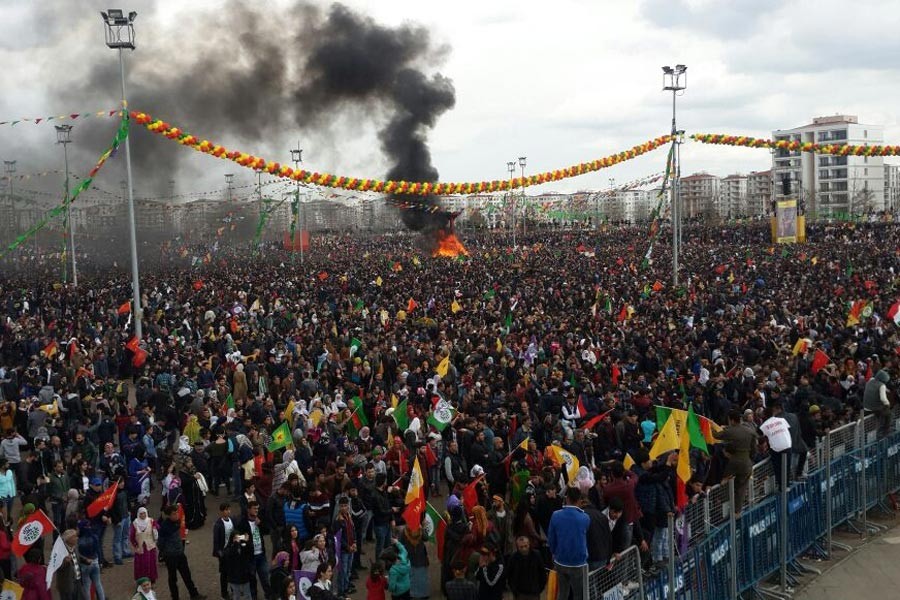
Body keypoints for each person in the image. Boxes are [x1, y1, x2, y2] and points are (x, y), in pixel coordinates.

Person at [547, 486, 590, 600]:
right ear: (579, 500)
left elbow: (551, 539)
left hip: (560, 561)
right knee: (578, 595)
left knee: (563, 593)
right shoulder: (585, 517)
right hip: (578, 563)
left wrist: (554, 553)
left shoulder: (555, 515)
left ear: (567, 498)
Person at [158, 504, 205, 600]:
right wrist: (165, 553)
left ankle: (194, 594)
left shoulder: (177, 522)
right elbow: (160, 543)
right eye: (174, 514)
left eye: (177, 513)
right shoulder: (164, 527)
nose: (176, 515)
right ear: (169, 515)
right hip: (171, 556)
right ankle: (175, 597)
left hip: (180, 554)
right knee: (173, 578)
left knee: (187, 575)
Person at [713, 410, 758, 512]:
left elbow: (715, 435)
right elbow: (754, 449)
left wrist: (713, 427)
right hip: (747, 463)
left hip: (733, 463)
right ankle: (737, 512)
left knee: (724, 483)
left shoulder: (730, 431)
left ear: (732, 420)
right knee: (741, 489)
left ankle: (721, 509)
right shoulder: (749, 430)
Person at [236, 500, 270, 600]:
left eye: (257, 509)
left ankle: (269, 596)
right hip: (250, 557)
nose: (256, 511)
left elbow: (267, 531)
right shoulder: (242, 523)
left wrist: (260, 524)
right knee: (252, 580)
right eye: (254, 509)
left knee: (265, 578)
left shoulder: (259, 520)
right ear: (248, 510)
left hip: (261, 555)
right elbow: (238, 537)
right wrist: (244, 541)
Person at [760, 403, 792, 490]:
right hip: (787, 444)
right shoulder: (782, 420)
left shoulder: (763, 426)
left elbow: (760, 436)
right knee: (787, 465)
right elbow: (787, 428)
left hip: (776, 448)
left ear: (764, 416)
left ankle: (781, 485)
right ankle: (787, 485)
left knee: (778, 467)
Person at [505, 536, 547, 600]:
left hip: (534, 593)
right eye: (521, 547)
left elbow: (542, 573)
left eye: (525, 546)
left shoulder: (536, 555)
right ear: (517, 547)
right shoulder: (513, 558)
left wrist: (539, 589)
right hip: (519, 594)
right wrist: (514, 591)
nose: (524, 549)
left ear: (529, 544)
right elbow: (509, 576)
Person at [332, 496, 357, 596]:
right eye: (341, 506)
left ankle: (346, 587)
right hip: (343, 550)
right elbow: (338, 538)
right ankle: (341, 591)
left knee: (348, 570)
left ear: (348, 506)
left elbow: (353, 531)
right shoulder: (338, 520)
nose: (343, 508)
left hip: (351, 548)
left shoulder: (349, 517)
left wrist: (354, 542)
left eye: (345, 506)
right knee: (342, 572)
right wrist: (347, 547)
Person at [129, 506, 159, 584]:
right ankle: (142, 580)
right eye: (141, 514)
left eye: (144, 513)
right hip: (140, 548)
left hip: (150, 546)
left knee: (151, 563)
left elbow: (157, 528)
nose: (143, 515)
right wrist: (135, 545)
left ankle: (152, 579)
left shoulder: (151, 521)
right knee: (141, 565)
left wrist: (155, 529)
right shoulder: (135, 523)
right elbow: (132, 536)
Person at [224, 529, 255, 600]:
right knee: (236, 596)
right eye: (235, 538)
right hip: (233, 576)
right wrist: (235, 544)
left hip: (244, 575)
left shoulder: (243, 546)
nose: (237, 539)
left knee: (247, 595)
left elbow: (251, 552)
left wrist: (247, 542)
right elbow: (228, 555)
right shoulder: (229, 548)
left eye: (238, 537)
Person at [212, 502, 235, 600]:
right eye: (226, 510)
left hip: (232, 550)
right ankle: (224, 593)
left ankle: (234, 589)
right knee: (224, 573)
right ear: (221, 512)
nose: (228, 511)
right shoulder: (218, 524)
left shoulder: (232, 520)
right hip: (224, 552)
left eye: (229, 509)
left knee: (233, 571)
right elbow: (216, 540)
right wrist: (219, 553)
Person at [864, 370, 892, 437]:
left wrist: (887, 390)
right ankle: (886, 431)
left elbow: (876, 388)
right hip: (874, 409)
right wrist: (888, 403)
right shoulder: (882, 385)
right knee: (888, 413)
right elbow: (883, 399)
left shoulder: (870, 380)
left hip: (865, 407)